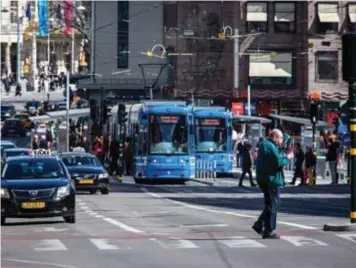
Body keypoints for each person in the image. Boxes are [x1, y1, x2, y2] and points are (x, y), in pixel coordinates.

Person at [252, 129, 293, 239]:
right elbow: (278, 162)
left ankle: (261, 225)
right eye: (280, 139)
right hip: (270, 179)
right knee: (273, 204)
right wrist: (288, 158)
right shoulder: (269, 146)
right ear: (274, 137)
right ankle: (267, 229)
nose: (281, 142)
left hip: (266, 178)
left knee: (271, 204)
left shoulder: (268, 145)